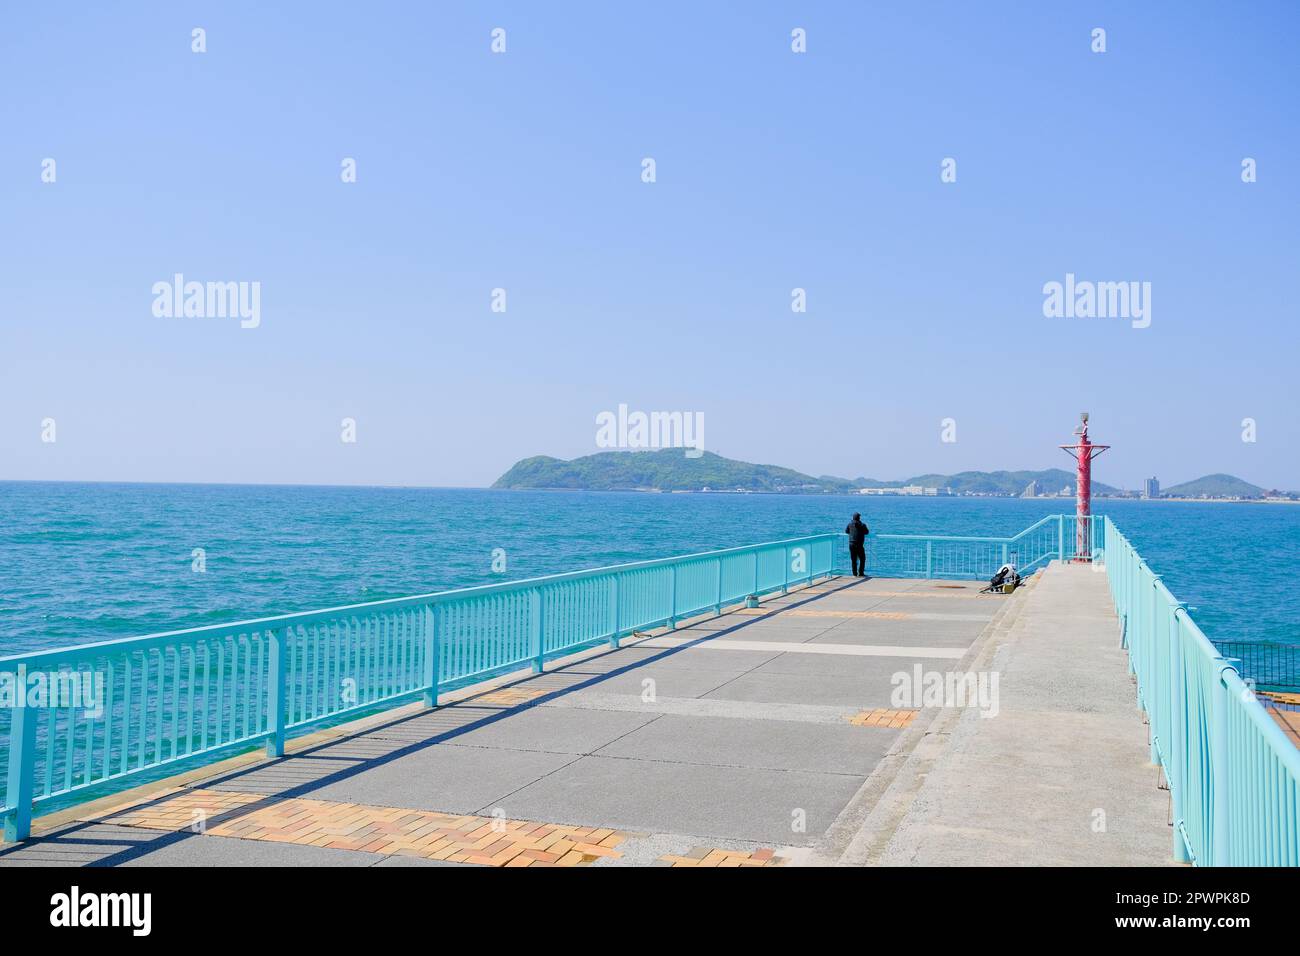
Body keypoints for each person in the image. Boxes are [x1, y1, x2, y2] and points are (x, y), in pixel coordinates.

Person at [845, 512, 870, 577]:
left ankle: (854, 574)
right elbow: (867, 532)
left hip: (851, 544)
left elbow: (846, 531)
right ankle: (861, 573)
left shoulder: (850, 524)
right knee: (862, 559)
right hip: (859, 544)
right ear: (859, 518)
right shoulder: (862, 525)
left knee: (853, 560)